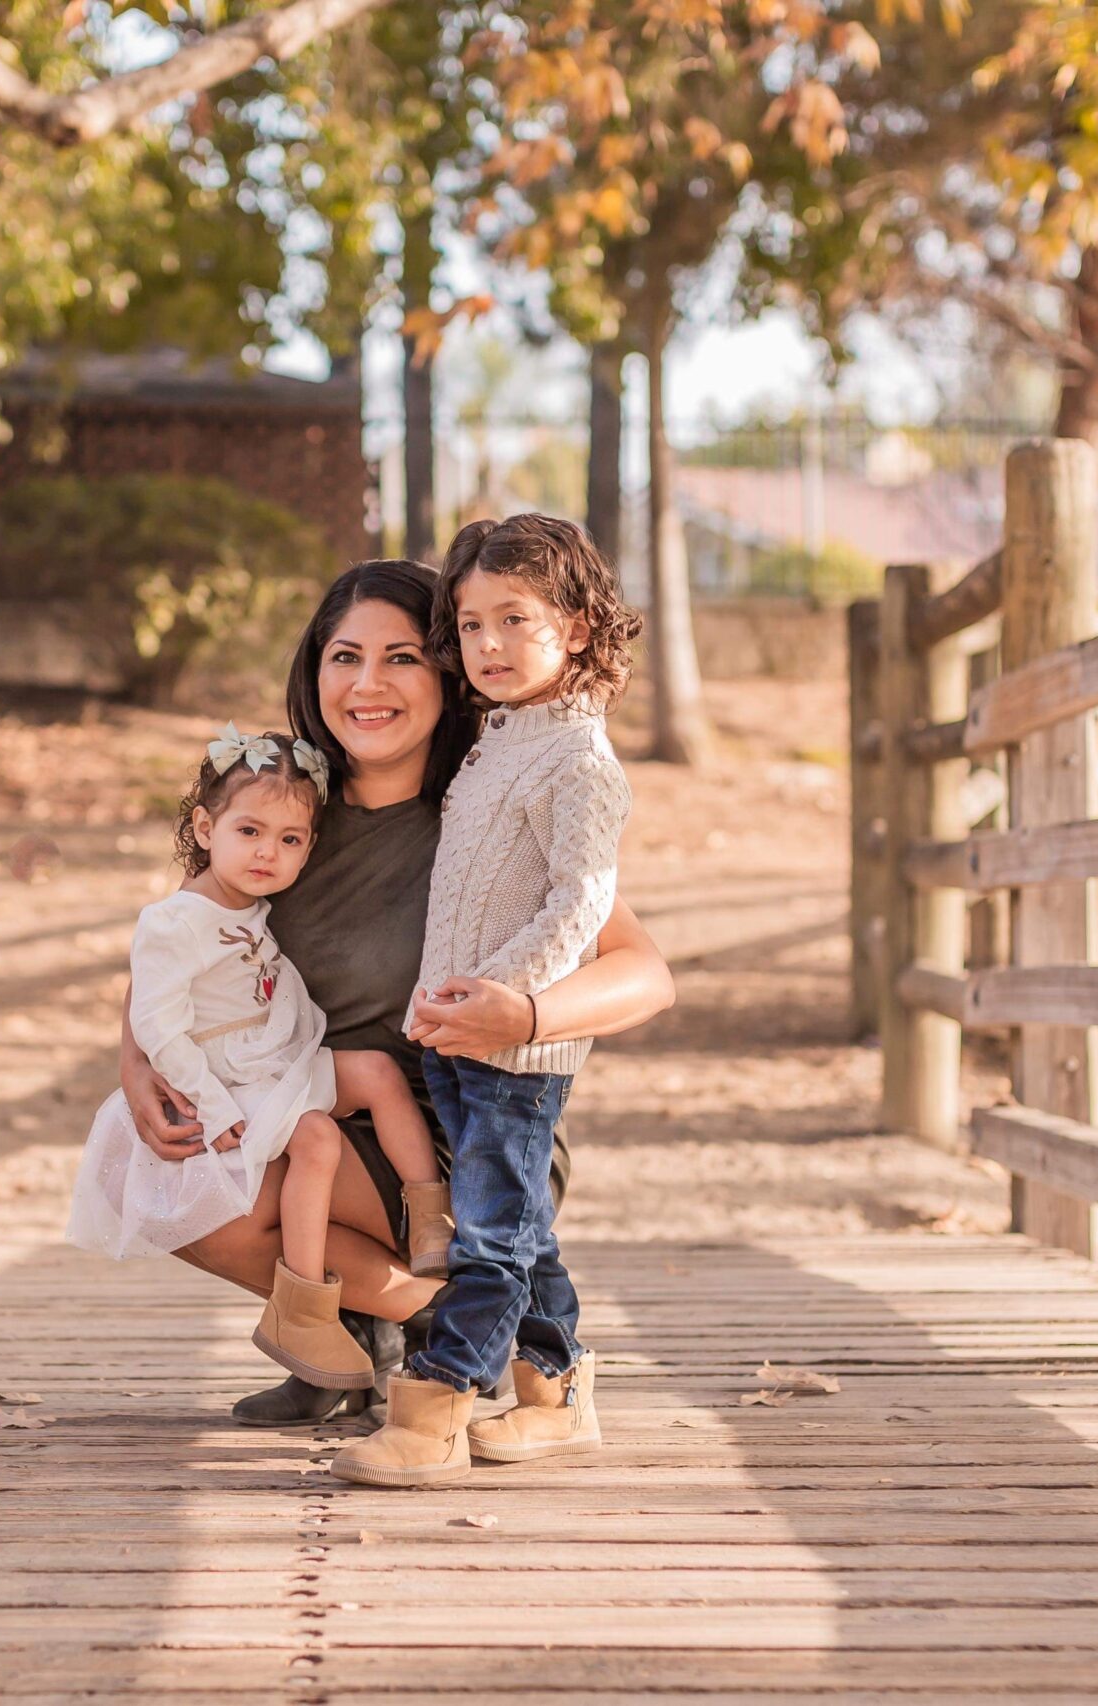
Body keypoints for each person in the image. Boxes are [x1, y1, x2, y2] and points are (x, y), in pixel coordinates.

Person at [115, 559, 675, 1427]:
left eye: (403, 658)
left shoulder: (491, 814)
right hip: (315, 1109)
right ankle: (368, 1333)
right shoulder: (283, 814)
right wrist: (133, 1065)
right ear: (315, 672)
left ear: (449, 673)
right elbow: (179, 944)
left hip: (458, 1136)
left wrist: (525, 1013)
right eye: (345, 657)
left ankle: (469, 1320)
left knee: (235, 1185)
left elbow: (646, 974)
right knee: (157, 1163)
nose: (367, 684)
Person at [334, 515, 640, 1488]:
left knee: (489, 1232)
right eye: (470, 625)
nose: (490, 646)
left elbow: (582, 898)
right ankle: (555, 1391)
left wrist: (506, 996)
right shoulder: (497, 743)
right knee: (516, 1225)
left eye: (516, 619)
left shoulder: (579, 759)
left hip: (512, 1042)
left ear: (580, 626)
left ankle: (435, 1405)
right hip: (454, 1034)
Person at [69, 726, 452, 1390]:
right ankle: (308, 1308)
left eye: (289, 841)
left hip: (278, 1061)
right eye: (248, 832)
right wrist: (205, 1104)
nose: (267, 853)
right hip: (228, 1082)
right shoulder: (174, 920)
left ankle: (430, 1217)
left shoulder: (251, 898)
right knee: (317, 1139)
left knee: (376, 1075)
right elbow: (158, 1023)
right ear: (205, 825)